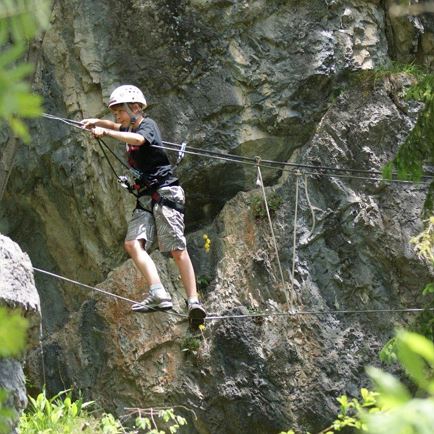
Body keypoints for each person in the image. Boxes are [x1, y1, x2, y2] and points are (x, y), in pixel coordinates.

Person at [82, 85, 206, 326]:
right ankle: (158, 292)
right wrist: (96, 122)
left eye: (120, 111)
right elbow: (118, 127)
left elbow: (138, 139)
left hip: (165, 192)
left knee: (176, 249)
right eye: (115, 112)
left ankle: (193, 301)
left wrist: (105, 133)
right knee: (132, 243)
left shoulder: (147, 126)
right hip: (147, 197)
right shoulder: (128, 126)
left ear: (136, 108)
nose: (116, 116)